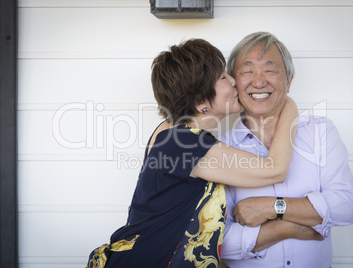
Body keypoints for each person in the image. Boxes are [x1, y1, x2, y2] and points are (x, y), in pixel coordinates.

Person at [85, 38, 298, 268]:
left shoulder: (169, 132)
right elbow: (275, 170)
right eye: (223, 78)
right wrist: (289, 105)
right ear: (200, 102)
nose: (235, 81)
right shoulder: (185, 143)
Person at [219, 31, 353, 268]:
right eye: (247, 71)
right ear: (233, 83)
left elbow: (345, 206)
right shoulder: (222, 148)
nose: (259, 81)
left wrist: (272, 207)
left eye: (270, 70)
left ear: (289, 80)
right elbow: (219, 243)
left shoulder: (321, 132)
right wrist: (286, 227)